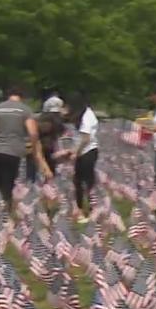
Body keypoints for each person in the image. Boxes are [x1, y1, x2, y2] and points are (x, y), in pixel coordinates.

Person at [0, 87, 44, 207]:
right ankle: (6, 210)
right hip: (13, 150)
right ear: (21, 97)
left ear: (8, 96)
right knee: (8, 182)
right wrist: (33, 146)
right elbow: (32, 132)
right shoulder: (25, 110)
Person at [64, 93, 100, 223]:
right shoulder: (82, 115)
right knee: (78, 182)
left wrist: (75, 152)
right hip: (82, 152)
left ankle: (91, 211)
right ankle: (79, 210)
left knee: (87, 183)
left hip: (87, 152)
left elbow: (86, 138)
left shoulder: (87, 115)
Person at [33, 97, 66, 180]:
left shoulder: (43, 117)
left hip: (44, 145)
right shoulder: (56, 118)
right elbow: (61, 130)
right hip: (49, 146)